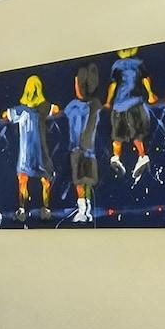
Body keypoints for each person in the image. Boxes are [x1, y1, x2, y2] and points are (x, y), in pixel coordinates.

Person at [3, 74, 58, 220]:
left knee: (23, 180)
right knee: (45, 179)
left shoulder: (20, 110)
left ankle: (22, 210)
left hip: (25, 152)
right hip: (40, 151)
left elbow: (5, 115)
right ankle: (46, 208)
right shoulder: (44, 108)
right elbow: (56, 109)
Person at [106, 47, 156, 179]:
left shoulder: (124, 64)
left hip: (126, 104)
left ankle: (121, 157)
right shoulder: (134, 63)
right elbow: (145, 79)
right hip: (127, 104)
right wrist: (150, 95)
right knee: (132, 135)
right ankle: (134, 157)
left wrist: (108, 102)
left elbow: (113, 84)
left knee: (123, 136)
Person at [64, 62, 105, 221]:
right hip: (89, 149)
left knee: (80, 181)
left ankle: (83, 209)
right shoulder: (95, 105)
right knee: (87, 180)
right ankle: (86, 208)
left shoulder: (73, 106)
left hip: (78, 148)